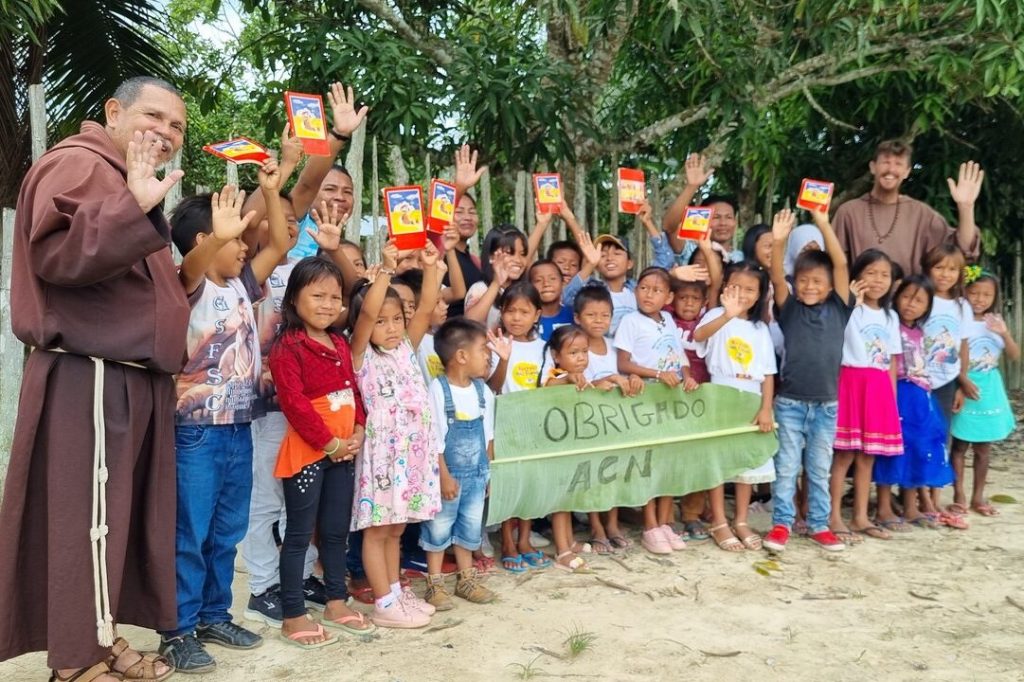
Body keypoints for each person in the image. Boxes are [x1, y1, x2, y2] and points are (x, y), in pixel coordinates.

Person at [0, 75, 186, 682]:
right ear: (113, 112)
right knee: (87, 522)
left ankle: (100, 641)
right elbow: (57, 256)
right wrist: (132, 204)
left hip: (126, 381)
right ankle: (75, 662)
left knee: (109, 522)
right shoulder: (79, 163)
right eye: (154, 117)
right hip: (93, 379)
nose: (166, 132)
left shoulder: (125, 179)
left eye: (177, 126)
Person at [160, 161, 290, 671]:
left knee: (226, 531)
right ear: (204, 238)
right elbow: (195, 265)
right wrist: (219, 238)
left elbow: (278, 244)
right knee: (189, 533)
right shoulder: (187, 283)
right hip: (194, 433)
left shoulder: (243, 285)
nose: (245, 247)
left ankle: (214, 614)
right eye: (236, 240)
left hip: (238, 428)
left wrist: (272, 192)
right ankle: (177, 629)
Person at [268, 257, 375, 647]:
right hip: (312, 454)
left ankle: (335, 600)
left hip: (344, 452)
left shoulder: (341, 342)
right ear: (295, 299)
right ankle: (293, 614)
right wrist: (329, 444)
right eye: (318, 296)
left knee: (334, 532)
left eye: (335, 297)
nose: (329, 304)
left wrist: (360, 429)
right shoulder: (288, 347)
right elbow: (294, 404)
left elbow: (354, 391)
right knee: (299, 535)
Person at [349, 241, 442, 628]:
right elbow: (369, 312)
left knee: (397, 527)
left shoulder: (405, 347)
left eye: (396, 320)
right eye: (381, 321)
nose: (390, 328)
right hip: (382, 459)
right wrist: (384, 271)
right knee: (377, 530)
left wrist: (433, 267)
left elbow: (424, 307)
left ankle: (395, 589)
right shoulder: (359, 354)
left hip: (411, 455)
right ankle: (384, 602)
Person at [762, 207, 853, 553]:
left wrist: (824, 223)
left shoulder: (839, 309)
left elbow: (841, 265)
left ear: (831, 286)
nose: (809, 286)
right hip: (790, 405)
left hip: (827, 406)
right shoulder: (790, 309)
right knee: (785, 469)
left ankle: (819, 524)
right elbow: (775, 274)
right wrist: (781, 240)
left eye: (817, 281)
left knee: (818, 470)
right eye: (803, 280)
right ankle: (782, 525)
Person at [694, 261, 777, 552]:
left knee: (748, 462)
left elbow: (768, 373)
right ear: (725, 287)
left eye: (750, 289)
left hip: (751, 396)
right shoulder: (716, 315)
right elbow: (699, 336)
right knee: (719, 461)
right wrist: (727, 315)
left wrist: (766, 408)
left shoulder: (760, 329)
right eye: (735, 286)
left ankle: (741, 519)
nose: (742, 293)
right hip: (721, 392)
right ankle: (718, 521)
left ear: (760, 295)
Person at [420, 318, 500, 610]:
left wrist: (488, 473)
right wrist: (443, 476)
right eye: (483, 350)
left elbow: (488, 436)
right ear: (462, 356)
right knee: (439, 528)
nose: (488, 356)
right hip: (447, 475)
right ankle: (435, 582)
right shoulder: (439, 390)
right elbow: (434, 438)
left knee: (469, 527)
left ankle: (466, 579)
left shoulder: (484, 392)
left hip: (477, 474)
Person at [615, 267, 696, 554]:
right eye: (644, 287)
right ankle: (650, 526)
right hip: (646, 398)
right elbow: (623, 363)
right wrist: (658, 374)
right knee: (650, 463)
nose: (649, 294)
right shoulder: (630, 321)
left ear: (669, 296)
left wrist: (687, 375)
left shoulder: (669, 321)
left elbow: (680, 356)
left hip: (672, 399)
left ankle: (665, 523)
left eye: (657, 290)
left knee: (669, 461)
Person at [829, 249, 903, 543]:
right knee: (844, 454)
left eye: (885, 274)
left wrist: (891, 399)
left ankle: (860, 516)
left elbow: (892, 361)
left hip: (879, 387)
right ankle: (833, 515)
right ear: (857, 276)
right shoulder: (850, 308)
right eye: (871, 273)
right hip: (850, 381)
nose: (878, 280)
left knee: (867, 456)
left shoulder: (890, 316)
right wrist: (850, 300)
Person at [873, 276, 956, 531]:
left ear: (927, 307)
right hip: (895, 393)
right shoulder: (888, 323)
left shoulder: (920, 331)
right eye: (907, 297)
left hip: (919, 397)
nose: (911, 304)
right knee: (891, 450)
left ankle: (910, 506)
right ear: (897, 297)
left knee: (917, 449)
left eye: (919, 300)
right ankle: (884, 507)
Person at [832, 139, 984, 276]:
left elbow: (961, 252)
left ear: (907, 172)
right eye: (885, 162)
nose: (891, 169)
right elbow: (832, 261)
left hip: (908, 303)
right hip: (859, 303)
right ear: (873, 167)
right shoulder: (849, 212)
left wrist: (966, 208)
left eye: (898, 164)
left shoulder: (921, 214)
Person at [573, 286, 645, 552]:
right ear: (578, 318)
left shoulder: (615, 348)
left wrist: (634, 378)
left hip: (616, 425)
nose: (599, 320)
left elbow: (627, 373)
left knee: (614, 474)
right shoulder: (577, 349)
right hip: (588, 426)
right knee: (592, 475)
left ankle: (612, 523)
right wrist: (611, 379)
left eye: (605, 315)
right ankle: (596, 526)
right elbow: (578, 385)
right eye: (591, 315)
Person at [486, 282, 552, 571]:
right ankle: (508, 541)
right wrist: (503, 359)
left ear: (537, 314)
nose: (516, 317)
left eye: (524, 311)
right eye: (510, 310)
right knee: (508, 485)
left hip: (534, 427)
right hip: (504, 426)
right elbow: (493, 387)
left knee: (531, 485)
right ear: (501, 312)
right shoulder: (494, 343)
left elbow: (547, 386)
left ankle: (524, 539)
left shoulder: (544, 348)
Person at [949, 269, 1020, 516]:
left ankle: (978, 497)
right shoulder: (959, 321)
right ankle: (959, 494)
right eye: (974, 292)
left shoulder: (996, 322)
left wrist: (1004, 332)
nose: (979, 299)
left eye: (986, 294)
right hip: (963, 384)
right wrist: (962, 381)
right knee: (959, 445)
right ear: (964, 293)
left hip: (988, 388)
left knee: (983, 448)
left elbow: (1014, 356)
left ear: (995, 296)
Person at [563, 199, 675, 334]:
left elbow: (666, 259)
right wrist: (590, 265)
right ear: (597, 265)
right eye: (603, 255)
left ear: (629, 263)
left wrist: (648, 222)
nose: (610, 258)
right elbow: (567, 298)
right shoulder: (591, 290)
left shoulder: (638, 290)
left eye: (617, 253)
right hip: (603, 353)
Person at [661, 153, 745, 264]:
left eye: (729, 217)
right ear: (702, 221)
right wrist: (692, 186)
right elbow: (669, 227)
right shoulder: (689, 250)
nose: (723, 223)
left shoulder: (742, 258)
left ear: (735, 222)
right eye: (716, 217)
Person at [529, 258, 574, 340]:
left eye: (552, 278)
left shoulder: (575, 315)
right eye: (538, 280)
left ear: (563, 283)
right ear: (530, 286)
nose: (546, 284)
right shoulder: (525, 319)